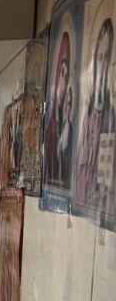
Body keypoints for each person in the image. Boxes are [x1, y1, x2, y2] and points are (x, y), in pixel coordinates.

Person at [76, 16, 115, 211]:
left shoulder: (111, 117)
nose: (103, 64)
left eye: (107, 57)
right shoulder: (87, 114)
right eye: (100, 57)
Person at [43, 31, 71, 188]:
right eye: (62, 74)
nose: (64, 83)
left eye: (67, 77)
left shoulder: (68, 127)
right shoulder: (50, 131)